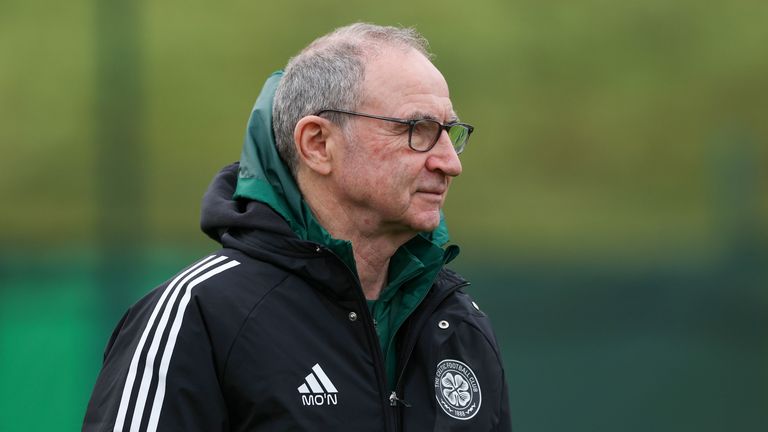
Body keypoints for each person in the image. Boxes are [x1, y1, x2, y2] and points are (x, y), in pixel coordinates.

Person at [83, 23, 512, 431]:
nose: (450, 163)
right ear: (318, 144)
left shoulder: (459, 327)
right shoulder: (200, 315)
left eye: (450, 133)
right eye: (418, 129)